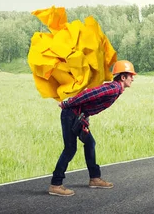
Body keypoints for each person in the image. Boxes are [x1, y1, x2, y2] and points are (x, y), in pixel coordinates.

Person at [48, 60, 137, 197]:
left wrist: (85, 118)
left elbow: (91, 103)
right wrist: (67, 103)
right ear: (123, 77)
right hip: (71, 114)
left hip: (78, 116)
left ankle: (95, 179)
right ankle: (56, 184)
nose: (133, 78)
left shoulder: (117, 89)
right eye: (131, 75)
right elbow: (89, 94)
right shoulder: (113, 88)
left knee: (90, 143)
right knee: (70, 149)